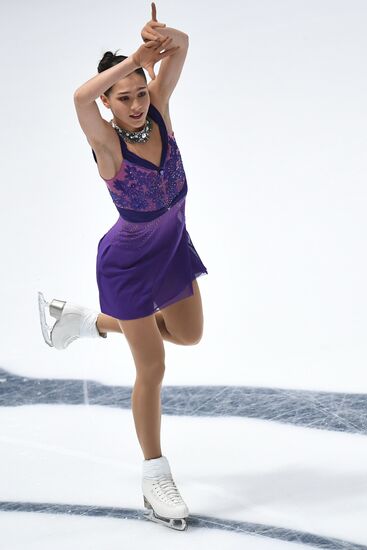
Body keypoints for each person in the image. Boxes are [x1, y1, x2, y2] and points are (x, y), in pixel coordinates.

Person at [37, 2, 209, 531]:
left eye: (140, 91)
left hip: (173, 247)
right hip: (129, 266)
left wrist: (160, 37)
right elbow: (77, 96)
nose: (136, 104)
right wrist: (135, 57)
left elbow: (182, 45)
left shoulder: (159, 106)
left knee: (189, 335)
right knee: (152, 365)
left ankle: (84, 321)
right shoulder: (108, 145)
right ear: (109, 104)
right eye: (124, 97)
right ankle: (155, 477)